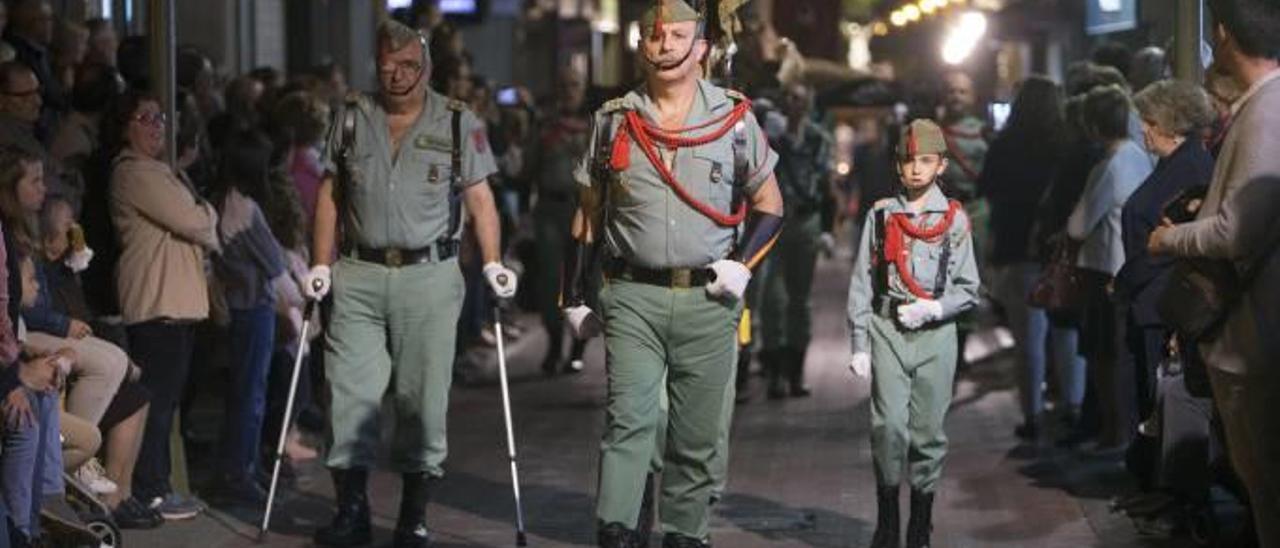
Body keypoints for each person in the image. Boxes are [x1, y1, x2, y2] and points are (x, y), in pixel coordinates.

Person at [563, 1, 783, 544]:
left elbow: (770, 203)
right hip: (632, 295)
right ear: (641, 45)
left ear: (702, 48)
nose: (664, 45)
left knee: (695, 433)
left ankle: (685, 533)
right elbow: (588, 215)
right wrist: (572, 295)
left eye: (678, 35)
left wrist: (741, 265)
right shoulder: (614, 120)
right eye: (654, 36)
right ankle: (616, 531)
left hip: (708, 299)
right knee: (629, 422)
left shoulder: (733, 120)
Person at [302, 19, 513, 548]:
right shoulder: (351, 117)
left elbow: (480, 199)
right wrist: (320, 262)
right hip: (358, 273)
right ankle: (351, 512)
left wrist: (492, 262)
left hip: (430, 277)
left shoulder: (459, 121)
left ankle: (413, 516)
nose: (397, 76)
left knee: (423, 400)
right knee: (348, 396)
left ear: (428, 68)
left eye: (409, 67)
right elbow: (331, 193)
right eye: (387, 66)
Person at [1147, 1, 1280, 544]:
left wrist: (1169, 238)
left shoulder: (1267, 111)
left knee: (1266, 484)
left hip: (1254, 334)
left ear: (1223, 34)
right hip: (1253, 331)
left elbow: (1235, 231)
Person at [847, 119, 980, 548]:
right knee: (887, 426)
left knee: (928, 432)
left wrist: (937, 308)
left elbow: (968, 287)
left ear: (941, 165)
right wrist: (859, 341)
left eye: (926, 161)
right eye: (908, 161)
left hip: (936, 333)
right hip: (888, 326)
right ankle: (888, 522)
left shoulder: (954, 219)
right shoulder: (882, 214)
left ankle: (919, 525)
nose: (916, 169)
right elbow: (862, 281)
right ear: (897, 166)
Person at [107, 90, 217, 521]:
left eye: (160, 118)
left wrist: (199, 214)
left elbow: (198, 221)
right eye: (145, 117)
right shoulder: (134, 172)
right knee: (155, 403)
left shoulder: (158, 171)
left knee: (167, 402)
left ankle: (157, 485)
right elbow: (196, 221)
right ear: (124, 125)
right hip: (156, 303)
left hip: (175, 303)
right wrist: (203, 212)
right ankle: (151, 489)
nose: (157, 126)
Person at [1116, 80, 1215, 430]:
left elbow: (1170, 243)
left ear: (1173, 124)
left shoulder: (1188, 167)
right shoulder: (1176, 164)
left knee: (1156, 398)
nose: (1143, 127)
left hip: (1164, 302)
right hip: (1153, 298)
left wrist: (1125, 280)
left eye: (1151, 121)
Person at [977, 76, 1066, 439]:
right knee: (1065, 333)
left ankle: (1032, 415)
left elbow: (987, 189)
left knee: (1027, 339)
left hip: (1018, 249)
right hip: (1059, 249)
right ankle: (1070, 405)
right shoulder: (1066, 144)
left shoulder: (1005, 145)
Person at [1068, 85, 1154, 453]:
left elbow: (1078, 225)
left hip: (1106, 273)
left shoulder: (1109, 165)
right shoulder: (1140, 155)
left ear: (1093, 125)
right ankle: (1125, 433)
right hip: (1134, 269)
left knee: (1105, 357)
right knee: (1123, 356)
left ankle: (1114, 433)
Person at [210, 129, 287, 506]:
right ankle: (240, 470)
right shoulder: (247, 209)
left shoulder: (222, 202)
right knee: (250, 393)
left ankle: (243, 464)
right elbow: (274, 262)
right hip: (253, 306)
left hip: (237, 305)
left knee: (243, 391)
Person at [758, 81, 832, 399]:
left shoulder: (818, 139)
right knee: (772, 299)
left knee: (799, 299)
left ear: (809, 102)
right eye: (788, 96)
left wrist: (827, 228)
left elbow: (826, 184)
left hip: (805, 221)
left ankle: (796, 372)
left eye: (799, 96)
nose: (794, 101)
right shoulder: (770, 139)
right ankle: (774, 372)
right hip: (774, 222)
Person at [530, 66, 590, 376]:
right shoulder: (544, 126)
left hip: (586, 212)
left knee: (582, 282)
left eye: (575, 85)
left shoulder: (596, 124)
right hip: (552, 210)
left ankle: (578, 349)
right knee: (551, 281)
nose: (569, 91)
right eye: (564, 85)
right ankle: (555, 344)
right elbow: (529, 167)